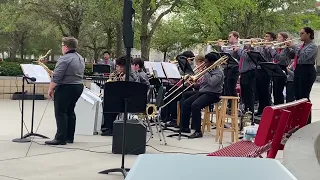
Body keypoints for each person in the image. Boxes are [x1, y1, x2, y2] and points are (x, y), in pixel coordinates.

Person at [45, 37, 85, 145]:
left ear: (66, 47)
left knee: (60, 112)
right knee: (70, 112)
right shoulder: (80, 57)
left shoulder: (65, 58)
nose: (61, 47)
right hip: (78, 86)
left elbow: (57, 76)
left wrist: (50, 88)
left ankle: (60, 138)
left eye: (62, 45)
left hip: (66, 87)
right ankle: (69, 137)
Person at [179, 52, 224, 138]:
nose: (204, 64)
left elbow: (211, 83)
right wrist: (194, 83)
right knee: (186, 103)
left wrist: (205, 72)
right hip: (203, 92)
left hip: (213, 94)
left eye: (206, 62)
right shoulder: (209, 70)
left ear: (213, 62)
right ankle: (184, 127)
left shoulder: (218, 72)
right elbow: (202, 84)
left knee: (195, 105)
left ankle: (198, 131)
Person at [101, 56, 140, 136]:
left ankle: (110, 127)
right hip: (128, 98)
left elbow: (123, 90)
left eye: (118, 66)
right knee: (108, 102)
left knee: (108, 104)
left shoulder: (128, 76)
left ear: (123, 67)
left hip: (130, 101)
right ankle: (108, 125)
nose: (116, 68)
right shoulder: (127, 73)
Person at [288, 27, 318, 124]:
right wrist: (287, 48)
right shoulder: (301, 46)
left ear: (309, 34)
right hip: (299, 69)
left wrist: (294, 46)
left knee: (304, 97)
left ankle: (306, 121)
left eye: (302, 33)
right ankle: (299, 120)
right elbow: (292, 56)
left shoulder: (313, 46)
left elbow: (304, 56)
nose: (300, 35)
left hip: (307, 70)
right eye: (300, 33)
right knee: (297, 96)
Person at [254, 32, 276, 116]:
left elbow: (272, 55)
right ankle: (260, 109)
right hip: (258, 69)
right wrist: (260, 46)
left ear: (271, 39)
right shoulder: (262, 45)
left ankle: (266, 109)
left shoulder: (272, 46)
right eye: (265, 36)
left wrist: (268, 47)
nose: (265, 38)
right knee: (259, 90)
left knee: (265, 91)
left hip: (266, 69)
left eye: (267, 36)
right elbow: (257, 54)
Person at [270, 32, 294, 105]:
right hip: (276, 67)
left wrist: (271, 49)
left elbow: (279, 58)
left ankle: (279, 107)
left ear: (284, 39)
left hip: (282, 68)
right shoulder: (279, 48)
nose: (277, 39)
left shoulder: (286, 49)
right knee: (275, 91)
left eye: (279, 37)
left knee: (278, 91)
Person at [217, 31, 241, 99]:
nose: (228, 38)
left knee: (231, 87)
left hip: (234, 68)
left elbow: (230, 54)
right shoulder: (227, 46)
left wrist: (222, 47)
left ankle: (234, 106)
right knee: (226, 88)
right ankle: (228, 105)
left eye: (230, 36)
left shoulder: (239, 45)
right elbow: (221, 55)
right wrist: (219, 47)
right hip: (227, 68)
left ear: (236, 37)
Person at [239, 37, 256, 114]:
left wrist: (243, 50)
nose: (245, 43)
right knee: (244, 92)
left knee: (249, 91)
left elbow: (247, 57)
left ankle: (251, 109)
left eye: (247, 42)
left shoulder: (252, 51)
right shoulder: (244, 50)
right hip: (243, 73)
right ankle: (245, 107)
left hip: (249, 72)